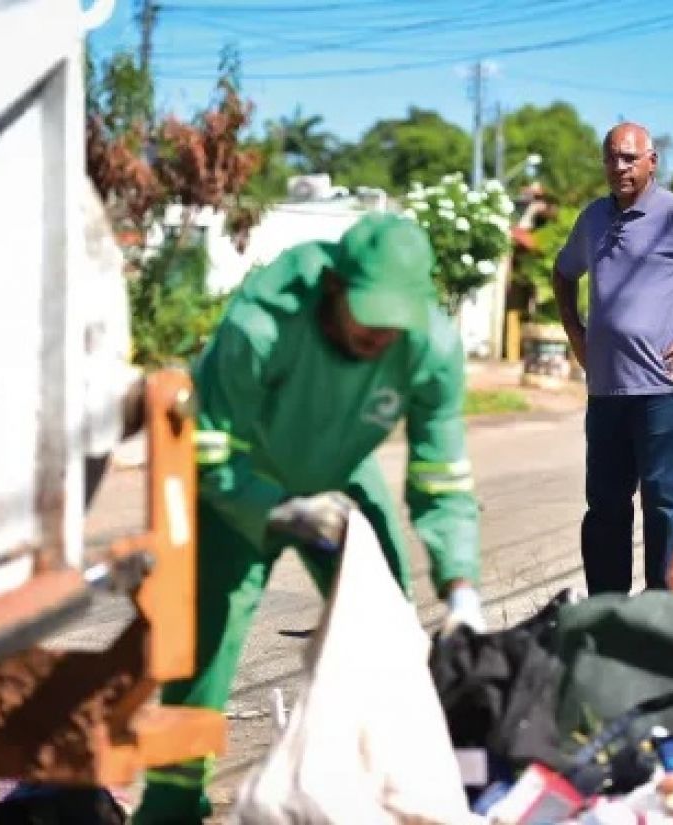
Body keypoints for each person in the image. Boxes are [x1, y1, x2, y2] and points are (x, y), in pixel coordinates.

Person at [134, 213, 485, 824]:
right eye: (368, 317)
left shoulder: (429, 346)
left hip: (341, 478)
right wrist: (274, 508)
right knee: (202, 656)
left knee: (385, 639)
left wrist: (462, 590)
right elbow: (209, 444)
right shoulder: (261, 324)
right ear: (333, 288)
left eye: (394, 324)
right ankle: (169, 809)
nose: (380, 337)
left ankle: (380, 796)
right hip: (240, 492)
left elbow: (442, 474)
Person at [551, 122, 673, 595]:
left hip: (665, 389)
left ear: (652, 162)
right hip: (606, 389)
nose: (619, 167)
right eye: (611, 157)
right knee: (605, 506)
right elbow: (564, 273)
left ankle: (660, 610)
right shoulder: (592, 219)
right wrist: (575, 330)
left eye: (629, 158)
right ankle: (610, 610)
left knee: (663, 505)